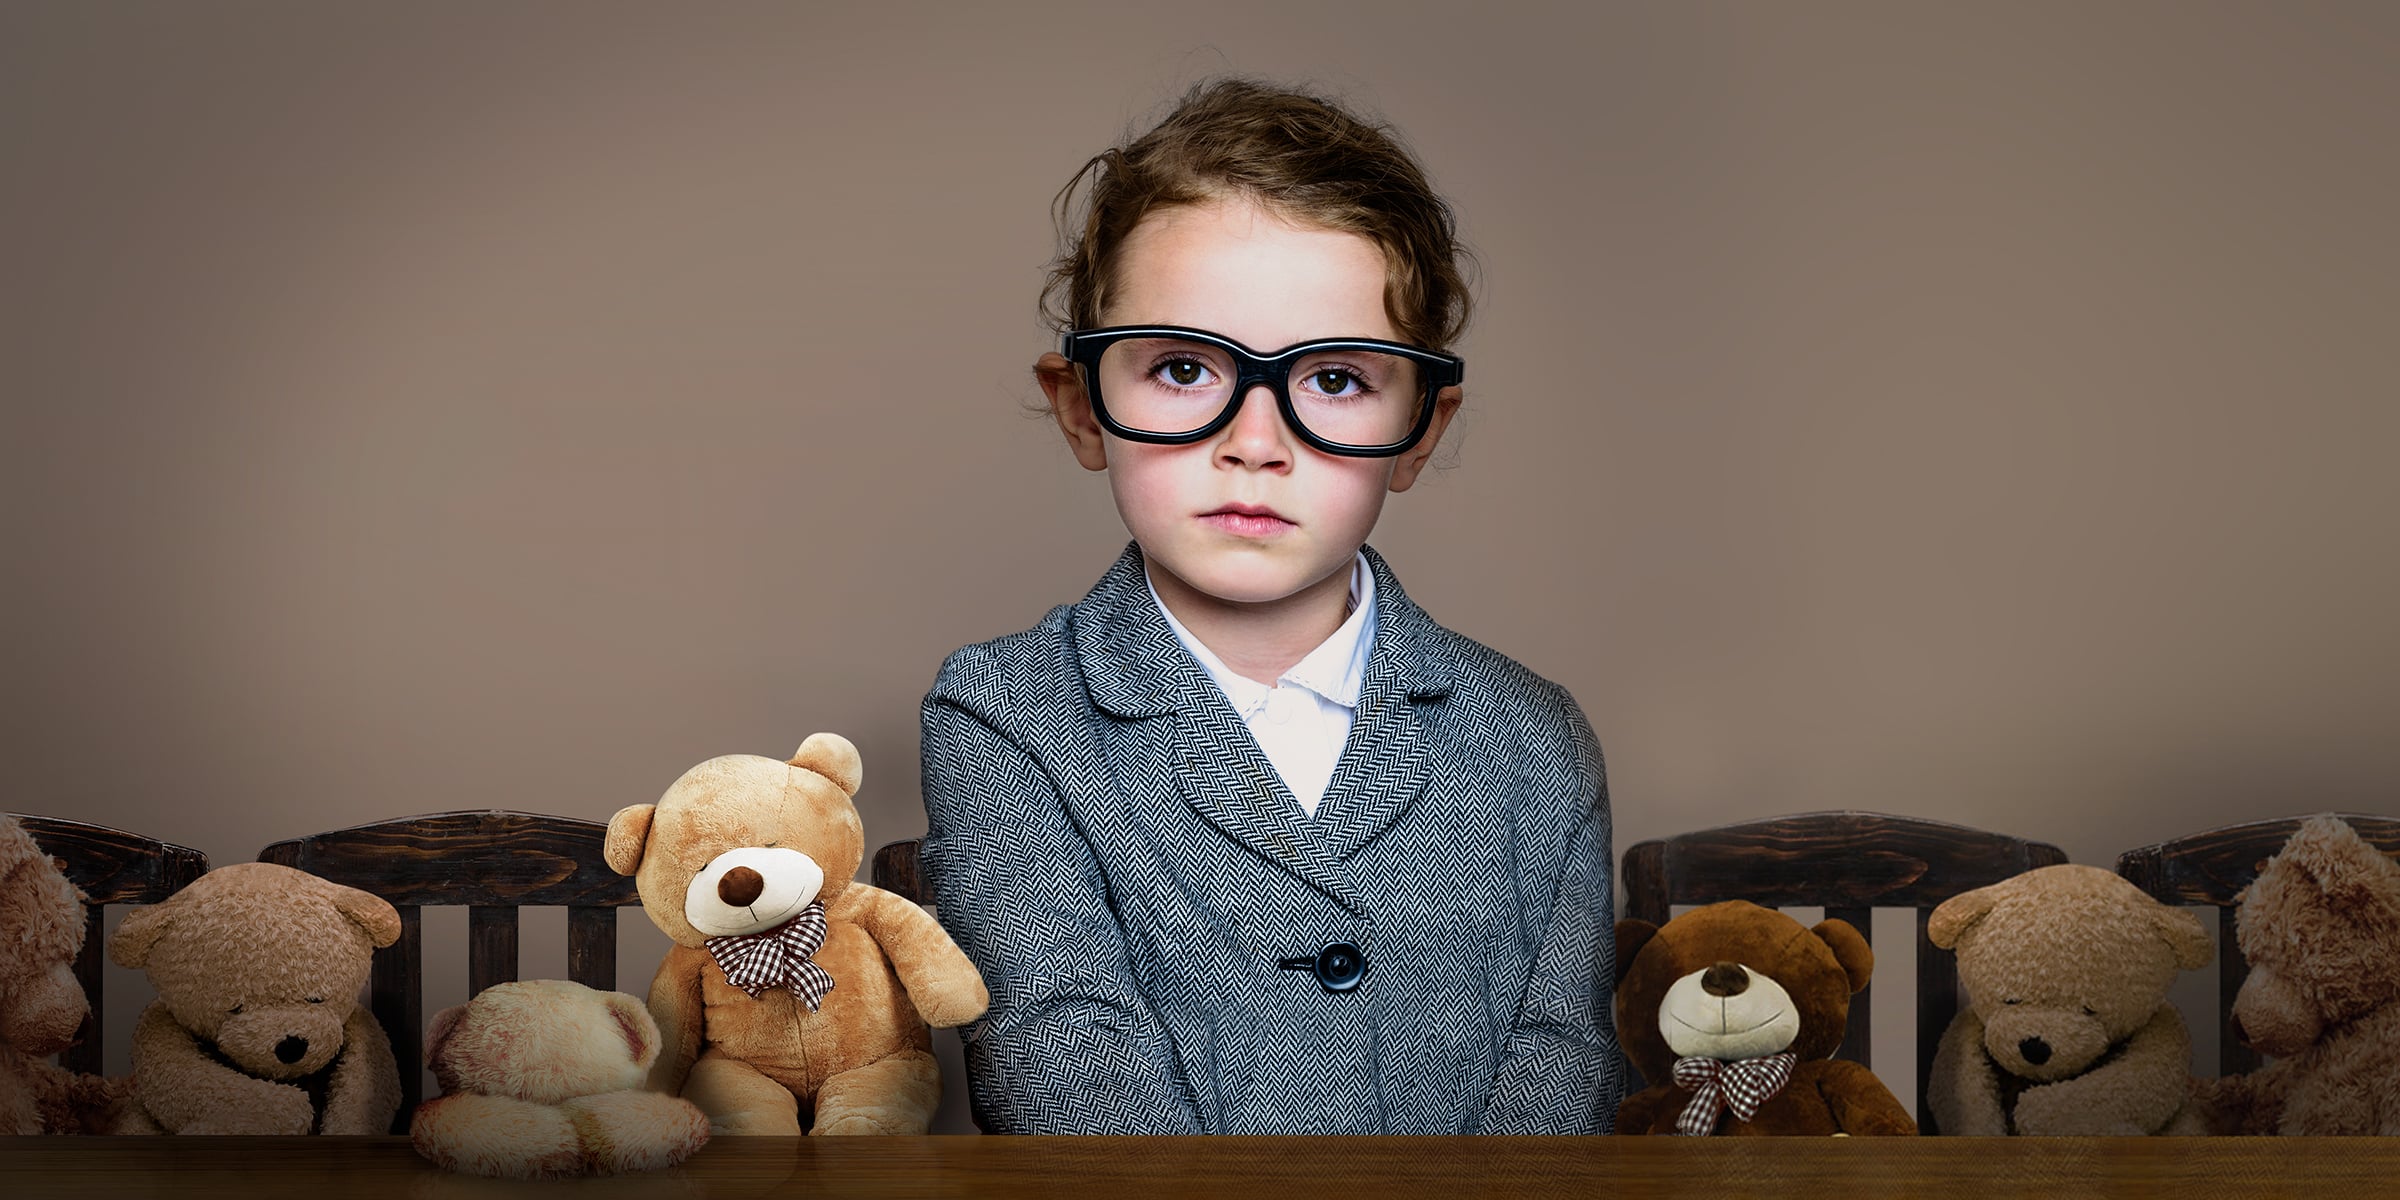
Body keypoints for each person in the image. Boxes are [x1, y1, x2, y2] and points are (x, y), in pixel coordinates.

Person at [918, 77, 1620, 1134]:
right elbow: (1064, 1060)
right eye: (1184, 367)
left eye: (1336, 380)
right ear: (1083, 408)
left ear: (1421, 428)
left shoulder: (1533, 738)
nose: (1256, 440)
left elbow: (1557, 1069)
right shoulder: (1003, 716)